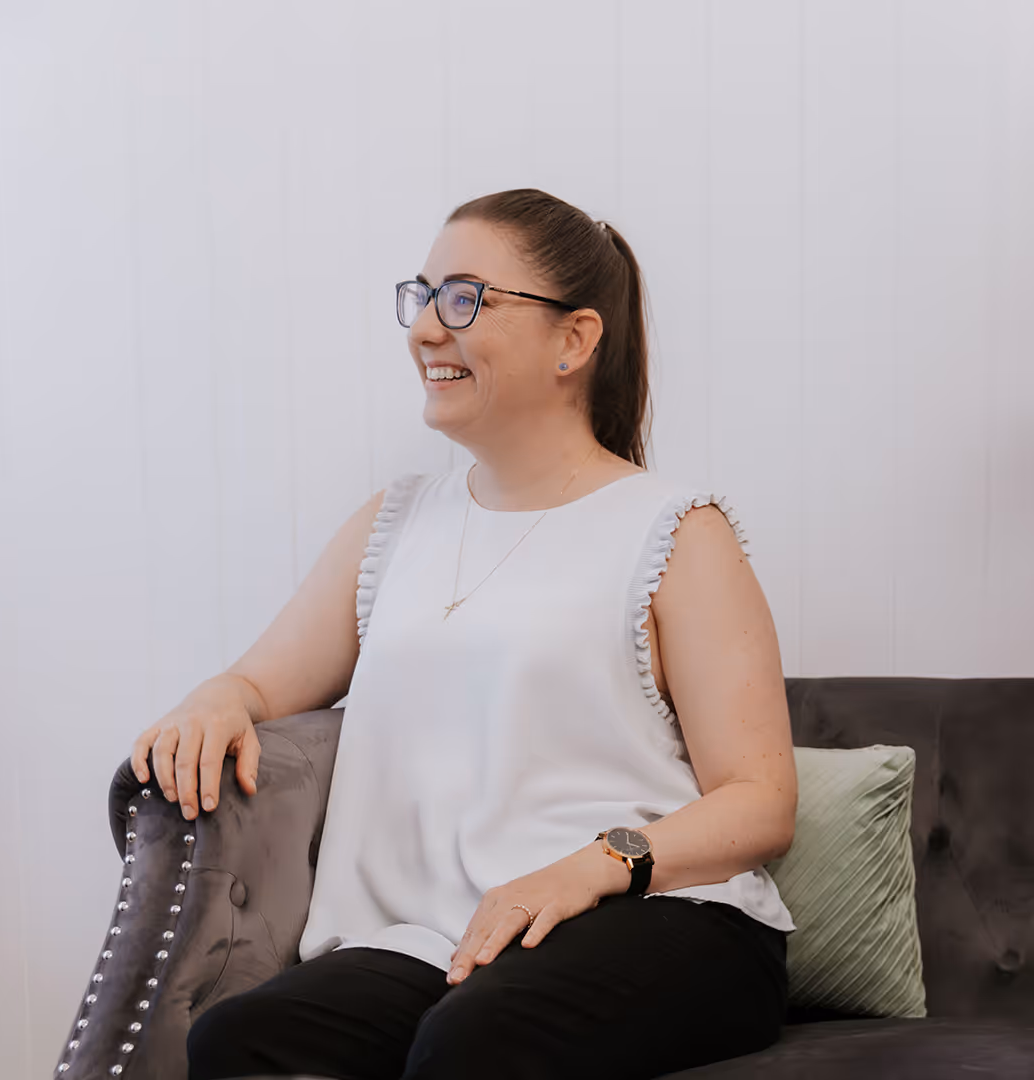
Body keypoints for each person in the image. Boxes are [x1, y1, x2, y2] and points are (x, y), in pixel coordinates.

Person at [131, 188, 798, 1080]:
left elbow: (761, 801)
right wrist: (214, 700)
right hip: (439, 939)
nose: (425, 330)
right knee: (239, 1039)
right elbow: (259, 683)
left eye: (466, 298)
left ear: (575, 340)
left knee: (474, 1043)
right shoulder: (397, 523)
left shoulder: (677, 530)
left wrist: (588, 869)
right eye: (424, 295)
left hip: (658, 917)